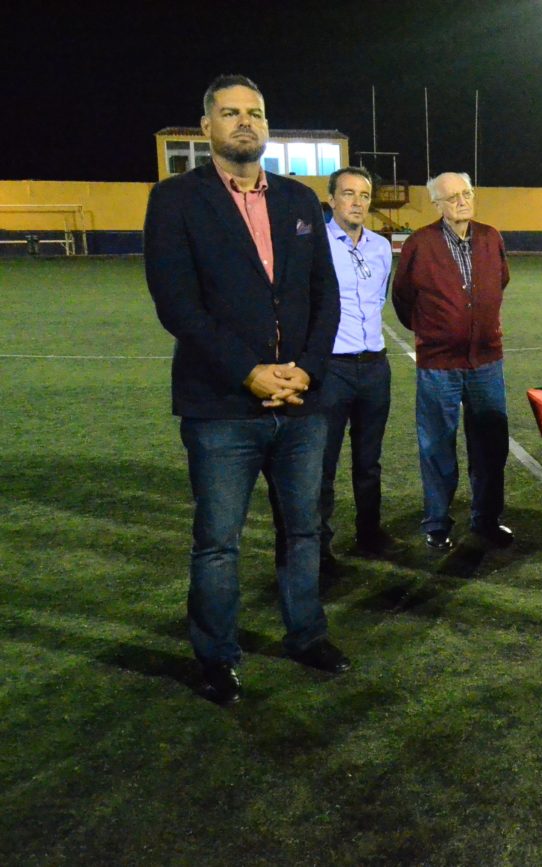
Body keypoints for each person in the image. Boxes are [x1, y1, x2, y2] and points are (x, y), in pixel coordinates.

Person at [144, 74, 351, 706]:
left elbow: (326, 296)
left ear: (267, 125)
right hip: (222, 407)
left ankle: (306, 634)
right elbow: (177, 304)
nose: (244, 122)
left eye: (255, 113)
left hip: (302, 403)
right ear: (207, 126)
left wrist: (307, 369)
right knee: (218, 543)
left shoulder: (298, 199)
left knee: (305, 531)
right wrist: (249, 371)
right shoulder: (175, 199)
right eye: (231, 113)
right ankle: (216, 656)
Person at [393, 172, 513, 552]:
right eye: (452, 197)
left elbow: (501, 281)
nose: (462, 202)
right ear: (437, 204)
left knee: (490, 446)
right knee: (437, 447)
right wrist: (435, 333)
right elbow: (403, 298)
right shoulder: (420, 243)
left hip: (486, 362)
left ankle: (486, 520)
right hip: (438, 365)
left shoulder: (491, 237)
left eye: (466, 194)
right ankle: (437, 523)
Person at [317, 166, 395, 563]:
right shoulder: (316, 244)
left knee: (369, 460)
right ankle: (319, 546)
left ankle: (370, 533)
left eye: (364, 195)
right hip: (332, 368)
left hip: (375, 367)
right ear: (332, 199)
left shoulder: (380, 247)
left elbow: (379, 297)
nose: (357, 202)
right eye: (348, 194)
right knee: (323, 462)